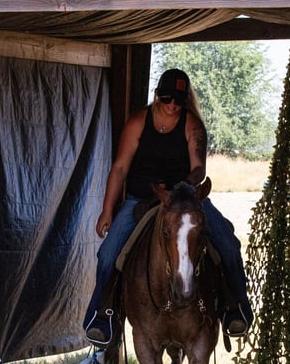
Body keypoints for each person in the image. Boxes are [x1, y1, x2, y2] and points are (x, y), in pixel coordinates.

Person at [83, 68, 253, 347]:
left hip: (185, 198)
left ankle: (235, 308)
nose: (172, 104)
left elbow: (199, 170)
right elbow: (120, 167)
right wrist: (107, 209)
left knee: (228, 244)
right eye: (167, 97)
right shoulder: (138, 122)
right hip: (141, 198)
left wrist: (181, 188)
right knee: (108, 253)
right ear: (157, 95)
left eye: (178, 99)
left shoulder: (192, 125)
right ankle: (102, 316)